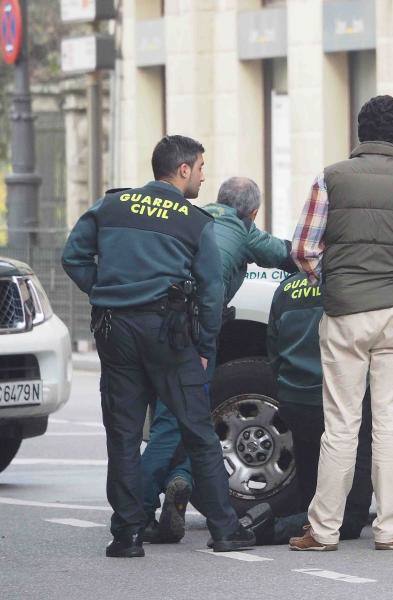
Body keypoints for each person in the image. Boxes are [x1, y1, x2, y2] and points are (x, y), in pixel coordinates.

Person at [62, 135, 254, 557]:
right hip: (171, 334)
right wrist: (204, 343)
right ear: (182, 170)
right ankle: (225, 530)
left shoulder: (110, 206)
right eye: (201, 167)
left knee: (125, 435)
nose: (204, 176)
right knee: (198, 432)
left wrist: (106, 292)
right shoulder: (194, 220)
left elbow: (73, 257)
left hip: (116, 331)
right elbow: (210, 290)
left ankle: (127, 535)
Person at [288, 95, 393, 551]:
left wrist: (336, 277)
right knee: (390, 423)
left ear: (360, 134)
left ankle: (323, 530)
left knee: (341, 423)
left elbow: (303, 248)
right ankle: (389, 529)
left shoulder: (331, 178)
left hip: (344, 312)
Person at [139, 176, 296, 544]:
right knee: (183, 423)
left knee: (180, 422)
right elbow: (285, 255)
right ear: (253, 212)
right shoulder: (240, 231)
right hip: (187, 336)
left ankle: (179, 480)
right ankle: (138, 509)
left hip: (153, 327)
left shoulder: (195, 216)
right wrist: (206, 350)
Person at [241, 271, 372, 546]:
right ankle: (261, 528)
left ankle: (277, 521)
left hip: (294, 402)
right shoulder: (347, 282)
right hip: (336, 403)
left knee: (312, 493)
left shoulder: (286, 288)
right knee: (349, 516)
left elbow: (273, 349)